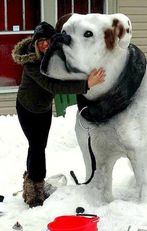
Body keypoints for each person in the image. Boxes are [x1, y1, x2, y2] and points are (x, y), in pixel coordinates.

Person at [12, 21, 105, 207]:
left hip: (44, 108)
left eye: (48, 40)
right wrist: (87, 84)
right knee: (37, 146)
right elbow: (53, 85)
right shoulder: (32, 63)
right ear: (35, 42)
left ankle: (34, 180)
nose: (44, 44)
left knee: (39, 146)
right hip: (28, 108)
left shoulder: (52, 56)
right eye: (41, 41)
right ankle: (34, 191)